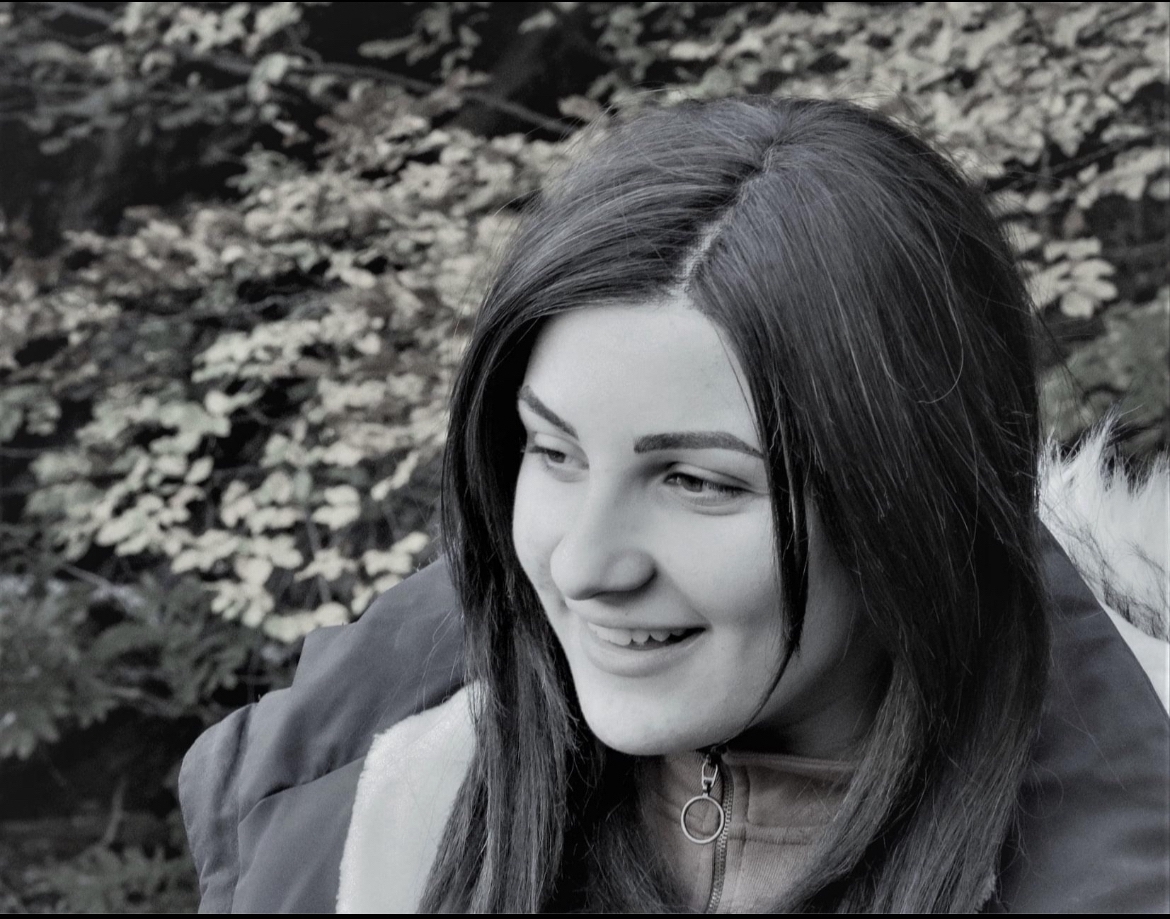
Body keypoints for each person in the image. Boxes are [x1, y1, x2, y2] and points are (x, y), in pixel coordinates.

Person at [180, 97, 1170, 913]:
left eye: (697, 480)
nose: (584, 565)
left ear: (908, 498)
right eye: (554, 451)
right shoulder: (353, 809)